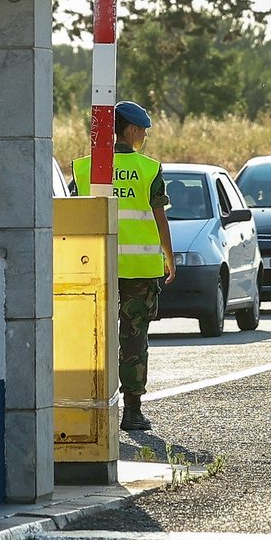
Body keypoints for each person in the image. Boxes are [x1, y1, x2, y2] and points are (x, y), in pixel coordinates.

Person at [73, 101, 174, 432]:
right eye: (143, 130)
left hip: (93, 265)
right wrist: (169, 257)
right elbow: (160, 217)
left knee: (91, 336)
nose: (144, 135)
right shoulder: (149, 169)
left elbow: (72, 213)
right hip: (140, 270)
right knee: (133, 339)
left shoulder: (84, 168)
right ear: (130, 130)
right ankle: (131, 412)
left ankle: (88, 407)